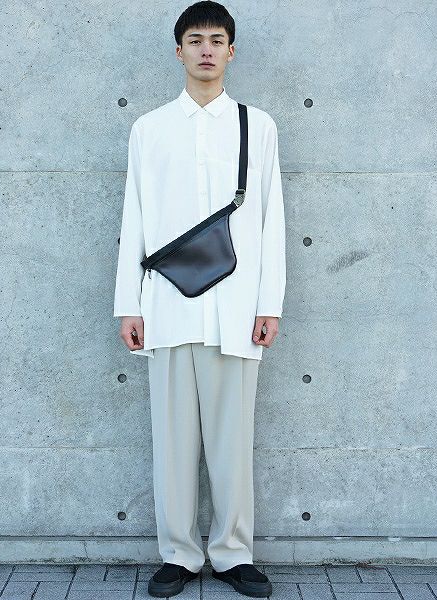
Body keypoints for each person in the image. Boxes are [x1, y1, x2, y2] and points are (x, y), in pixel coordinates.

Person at [113, 2, 286, 597]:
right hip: (167, 305)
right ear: (179, 50)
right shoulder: (150, 128)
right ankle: (179, 555)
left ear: (231, 51)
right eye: (195, 39)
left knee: (233, 444)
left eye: (216, 39)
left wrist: (269, 303)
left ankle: (234, 554)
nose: (206, 49)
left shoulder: (257, 126)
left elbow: (271, 218)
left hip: (236, 309)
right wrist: (129, 304)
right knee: (172, 443)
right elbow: (134, 218)